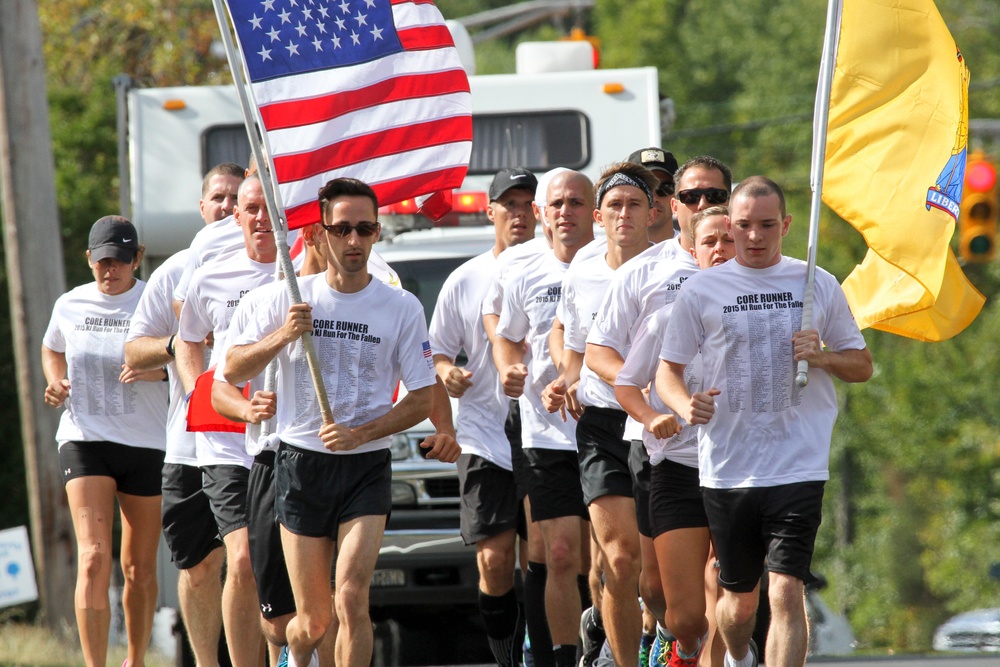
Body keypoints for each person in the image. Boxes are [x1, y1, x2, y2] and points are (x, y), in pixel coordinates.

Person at [222, 177, 455, 667]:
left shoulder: (401, 306)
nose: (354, 241)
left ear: (376, 234)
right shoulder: (285, 297)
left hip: (366, 467)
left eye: (365, 229)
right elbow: (232, 369)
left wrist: (362, 434)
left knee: (352, 598)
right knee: (313, 621)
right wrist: (285, 333)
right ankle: (294, 657)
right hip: (299, 466)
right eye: (343, 229)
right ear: (320, 233)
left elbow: (422, 398)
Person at [656, 177, 872, 667]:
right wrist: (685, 405)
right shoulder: (702, 290)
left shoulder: (816, 282)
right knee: (739, 602)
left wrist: (823, 357)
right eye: (746, 226)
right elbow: (667, 370)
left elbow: (861, 365)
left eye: (767, 225)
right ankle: (738, 658)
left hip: (798, 462)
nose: (756, 236)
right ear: (729, 226)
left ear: (787, 225)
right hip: (729, 468)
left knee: (785, 589)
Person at [585, 155, 732, 665]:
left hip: (739, 453)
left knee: (723, 577)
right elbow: (600, 352)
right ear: (674, 205)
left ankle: (726, 651)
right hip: (657, 442)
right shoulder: (645, 271)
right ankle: (673, 637)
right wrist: (652, 393)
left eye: (714, 196)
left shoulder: (754, 273)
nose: (702, 206)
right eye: (691, 196)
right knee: (656, 587)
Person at [123, 162, 243, 667]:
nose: (228, 207)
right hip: (189, 442)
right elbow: (134, 351)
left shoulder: (270, 268)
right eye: (219, 197)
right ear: (202, 206)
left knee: (248, 566)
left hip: (250, 444)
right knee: (198, 569)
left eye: (239, 199)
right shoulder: (177, 270)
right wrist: (180, 342)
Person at [542, 162, 658, 667]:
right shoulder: (582, 272)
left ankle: (666, 636)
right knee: (619, 558)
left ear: (654, 213)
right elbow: (571, 343)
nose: (625, 214)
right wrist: (566, 379)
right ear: (598, 217)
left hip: (657, 426)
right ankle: (624, 659)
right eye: (615, 206)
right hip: (601, 424)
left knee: (653, 577)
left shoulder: (674, 269)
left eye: (635, 204)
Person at [42, 215, 168, 667]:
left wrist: (162, 369)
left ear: (137, 258)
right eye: (101, 262)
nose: (110, 270)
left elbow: (195, 349)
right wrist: (55, 381)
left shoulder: (157, 302)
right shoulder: (70, 303)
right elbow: (51, 346)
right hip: (84, 438)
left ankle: (134, 658)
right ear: (89, 260)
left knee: (138, 567)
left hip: (145, 444)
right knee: (94, 556)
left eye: (119, 260)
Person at [429, 167, 538, 667]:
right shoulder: (465, 279)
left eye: (526, 203)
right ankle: (508, 659)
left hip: (548, 436)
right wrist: (448, 371)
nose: (518, 213)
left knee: (551, 559)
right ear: (489, 210)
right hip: (483, 437)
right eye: (508, 203)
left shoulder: (562, 270)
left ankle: (551, 652)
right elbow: (435, 353)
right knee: (495, 563)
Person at [175, 173, 280, 667]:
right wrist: (203, 389)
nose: (261, 219)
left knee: (281, 563)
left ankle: (290, 654)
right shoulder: (210, 275)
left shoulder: (303, 268)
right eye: (251, 209)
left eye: (268, 208)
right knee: (240, 560)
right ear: (236, 215)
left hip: (284, 436)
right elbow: (188, 338)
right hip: (225, 442)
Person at [494, 170, 595, 667]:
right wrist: (510, 368)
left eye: (576, 202)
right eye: (556, 203)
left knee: (604, 562)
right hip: (544, 433)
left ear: (593, 211)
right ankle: (562, 657)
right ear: (540, 213)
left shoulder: (613, 267)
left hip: (606, 433)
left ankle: (610, 647)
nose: (565, 212)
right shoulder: (523, 270)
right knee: (558, 554)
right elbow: (508, 335)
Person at [626, 148, 679, 244]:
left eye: (665, 187)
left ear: (677, 193)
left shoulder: (697, 253)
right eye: (645, 188)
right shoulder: (603, 255)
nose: (654, 198)